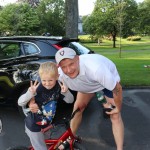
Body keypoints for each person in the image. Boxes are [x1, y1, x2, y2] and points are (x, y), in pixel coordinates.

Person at [55, 47, 124, 150]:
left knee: (115, 115)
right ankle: (71, 138)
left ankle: (120, 148)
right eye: (64, 67)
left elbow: (117, 89)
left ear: (78, 59)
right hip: (87, 83)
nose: (68, 70)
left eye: (71, 64)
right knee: (78, 108)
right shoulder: (59, 74)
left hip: (105, 83)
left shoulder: (96, 69)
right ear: (59, 66)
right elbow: (44, 85)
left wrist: (118, 107)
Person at [18, 61, 74, 150]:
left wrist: (66, 92)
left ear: (57, 77)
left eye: (50, 80)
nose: (47, 83)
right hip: (34, 127)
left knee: (47, 144)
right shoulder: (37, 88)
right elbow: (20, 102)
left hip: (46, 125)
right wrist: (29, 93)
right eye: (44, 80)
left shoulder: (59, 86)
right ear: (40, 78)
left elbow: (70, 101)